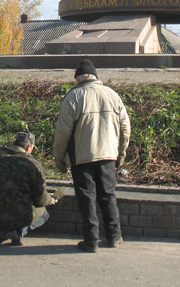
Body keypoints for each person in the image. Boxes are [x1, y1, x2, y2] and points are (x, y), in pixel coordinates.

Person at [54, 59, 131, 253]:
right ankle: (114, 237)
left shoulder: (73, 97)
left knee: (86, 198)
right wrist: (120, 154)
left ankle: (91, 240)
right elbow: (125, 129)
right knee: (108, 196)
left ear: (78, 78)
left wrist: (59, 159)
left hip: (82, 157)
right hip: (108, 155)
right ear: (96, 77)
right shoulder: (113, 95)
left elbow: (62, 133)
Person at [0, 131, 56, 246]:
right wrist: (51, 200)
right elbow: (40, 199)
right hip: (19, 213)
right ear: (29, 147)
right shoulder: (32, 163)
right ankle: (18, 232)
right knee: (44, 214)